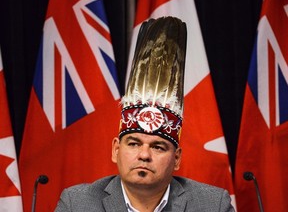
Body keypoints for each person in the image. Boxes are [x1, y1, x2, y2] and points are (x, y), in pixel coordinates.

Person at [55, 16, 235, 212]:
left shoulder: (212, 205)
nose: (144, 155)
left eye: (158, 147)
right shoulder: (77, 204)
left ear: (176, 159)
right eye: (133, 143)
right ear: (116, 150)